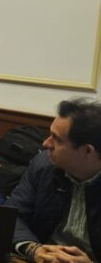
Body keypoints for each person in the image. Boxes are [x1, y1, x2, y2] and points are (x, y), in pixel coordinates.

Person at [7, 98, 101, 262]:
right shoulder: (42, 165)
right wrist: (34, 249)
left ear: (87, 151)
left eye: (56, 139)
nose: (45, 143)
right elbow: (12, 215)